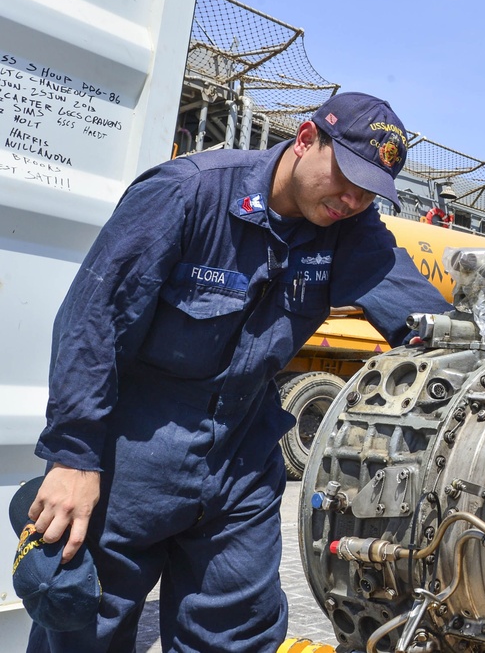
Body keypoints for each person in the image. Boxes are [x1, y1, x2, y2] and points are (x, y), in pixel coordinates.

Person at [26, 91, 452, 651]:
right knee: (87, 631)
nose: (351, 199)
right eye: (345, 176)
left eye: (369, 191)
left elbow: (425, 321)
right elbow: (93, 323)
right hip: (133, 456)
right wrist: (74, 457)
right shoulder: (188, 193)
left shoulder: (350, 229)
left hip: (241, 464)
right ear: (305, 140)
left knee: (236, 636)